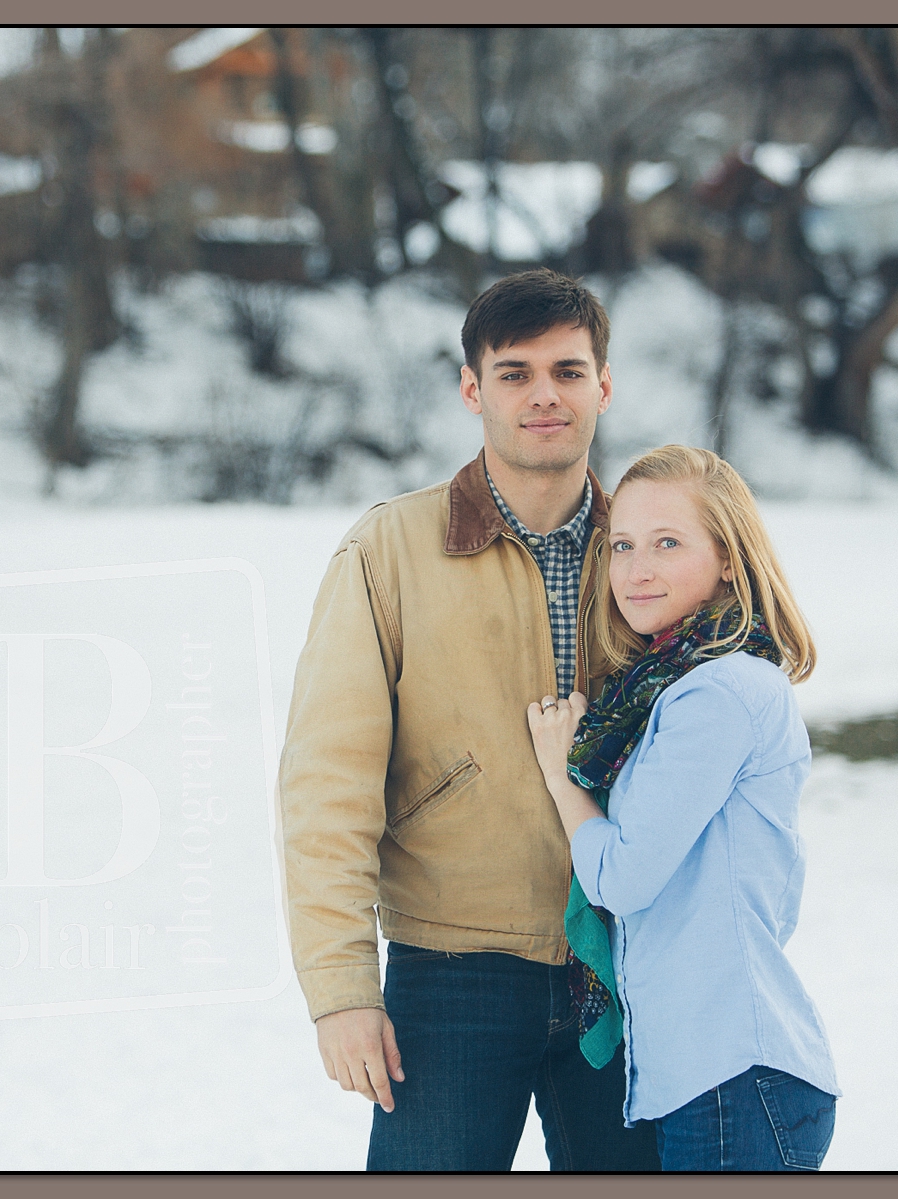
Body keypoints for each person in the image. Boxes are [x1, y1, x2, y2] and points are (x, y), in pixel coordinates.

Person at [277, 269, 659, 1171]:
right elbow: (326, 783)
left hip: (630, 963)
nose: (543, 395)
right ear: (471, 388)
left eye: (567, 370)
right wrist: (340, 988)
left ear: (604, 385)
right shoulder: (389, 551)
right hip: (453, 974)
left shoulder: (652, 549)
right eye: (515, 371)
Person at [525, 444, 840, 1172]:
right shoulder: (679, 686)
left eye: (668, 543)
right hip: (718, 1077)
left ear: (729, 558)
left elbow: (625, 877)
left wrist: (559, 773)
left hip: (731, 1078)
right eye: (624, 545)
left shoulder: (715, 692)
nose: (637, 570)